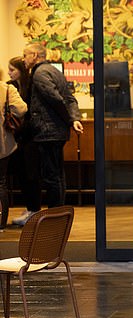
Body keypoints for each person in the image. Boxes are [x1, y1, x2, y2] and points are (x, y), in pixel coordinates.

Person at [20, 43, 83, 219]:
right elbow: (69, 98)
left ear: (34, 55)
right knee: (57, 174)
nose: (23, 59)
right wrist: (74, 118)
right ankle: (59, 213)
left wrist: (71, 120)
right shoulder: (54, 71)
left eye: (25, 55)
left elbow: (55, 99)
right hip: (56, 131)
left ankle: (55, 216)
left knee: (51, 176)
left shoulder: (40, 73)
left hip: (47, 131)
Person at [7, 56, 40, 227]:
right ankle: (30, 208)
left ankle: (33, 209)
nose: (9, 73)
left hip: (29, 137)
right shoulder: (9, 87)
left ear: (21, 71)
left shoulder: (31, 87)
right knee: (22, 174)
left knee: (30, 174)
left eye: (13, 69)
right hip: (16, 137)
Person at [0, 78, 27, 230]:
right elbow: (21, 109)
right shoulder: (6, 89)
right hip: (2, 144)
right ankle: (1, 223)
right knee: (1, 183)